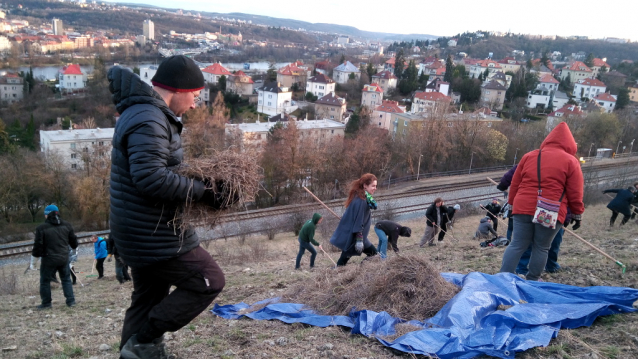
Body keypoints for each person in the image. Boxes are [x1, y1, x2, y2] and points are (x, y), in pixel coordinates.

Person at [109, 55, 229, 358]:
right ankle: (145, 341)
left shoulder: (146, 114)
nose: (194, 104)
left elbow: (160, 167)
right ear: (178, 89)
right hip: (152, 232)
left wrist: (204, 178)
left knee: (148, 298)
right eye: (195, 96)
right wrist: (203, 192)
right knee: (208, 280)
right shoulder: (149, 118)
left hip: (140, 229)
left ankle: (136, 351)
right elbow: (150, 178)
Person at [500, 122, 584, 281]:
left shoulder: (529, 156)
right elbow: (575, 192)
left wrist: (511, 204)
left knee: (517, 244)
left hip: (522, 206)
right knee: (542, 247)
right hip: (550, 209)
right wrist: (577, 214)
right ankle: (533, 279)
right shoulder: (571, 161)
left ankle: (503, 278)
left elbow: (516, 183)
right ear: (570, 144)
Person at [32, 205, 78, 309]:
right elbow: (74, 243)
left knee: (45, 281)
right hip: (63, 257)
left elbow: (37, 246)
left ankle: (46, 303)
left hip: (48, 259)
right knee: (66, 279)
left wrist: (33, 261)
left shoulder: (41, 228)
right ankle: (71, 301)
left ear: (47, 214)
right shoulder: (67, 225)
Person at [330, 173, 379, 266]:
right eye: (373, 186)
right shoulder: (362, 200)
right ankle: (358, 270)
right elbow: (359, 220)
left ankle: (361, 269)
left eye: (376, 186)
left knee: (374, 255)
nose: (375, 188)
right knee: (374, 255)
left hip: (360, 237)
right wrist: (359, 240)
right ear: (365, 186)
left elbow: (353, 215)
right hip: (356, 239)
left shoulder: (362, 197)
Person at [497, 165, 517, 241]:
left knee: (512, 228)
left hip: (515, 212)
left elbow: (512, 173)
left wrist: (503, 185)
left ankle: (509, 241)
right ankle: (510, 240)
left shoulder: (527, 160)